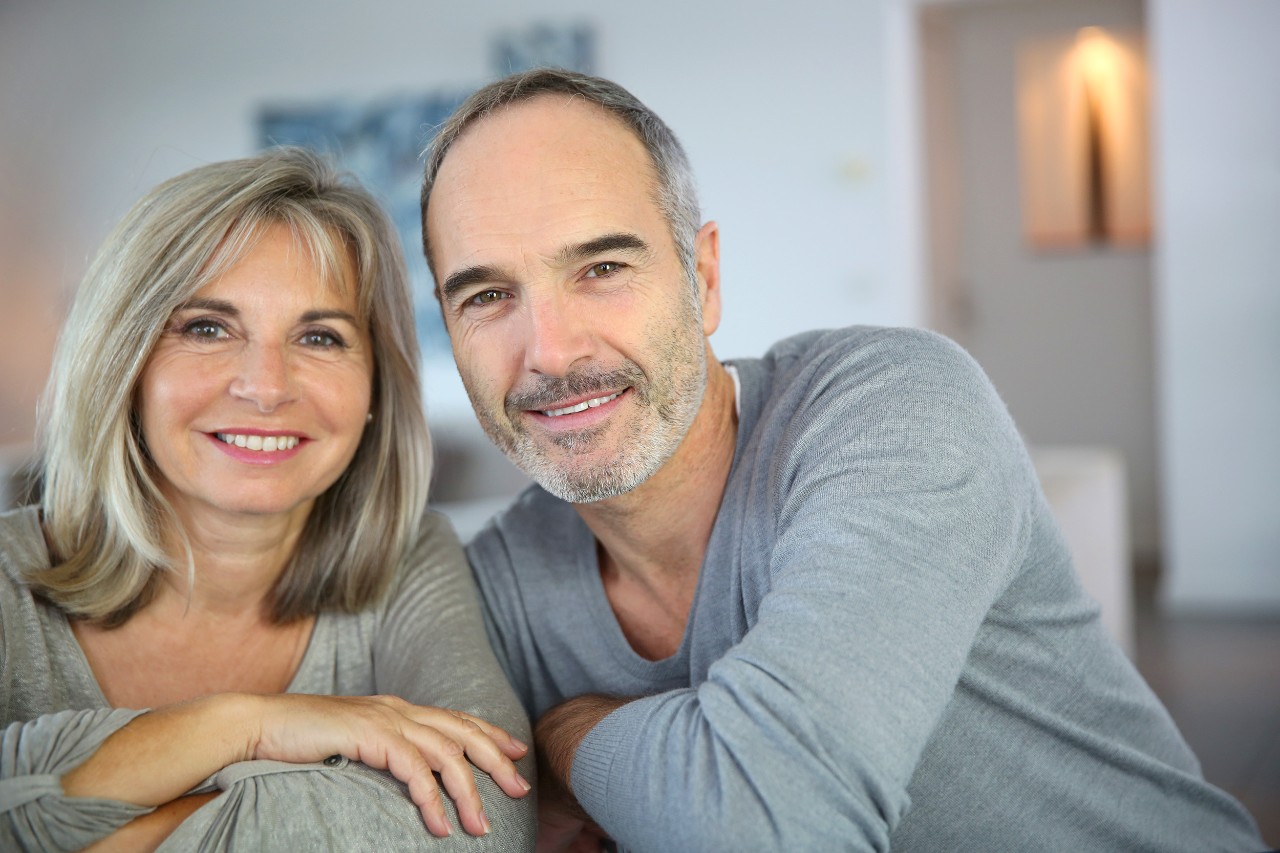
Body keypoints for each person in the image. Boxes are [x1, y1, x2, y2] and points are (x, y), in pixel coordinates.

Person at [419, 69, 1266, 852]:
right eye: (488, 295)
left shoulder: (893, 407)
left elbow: (773, 822)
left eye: (603, 267)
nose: (552, 352)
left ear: (703, 278)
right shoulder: (498, 584)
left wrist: (566, 737)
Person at [0, 148, 535, 851]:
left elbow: (489, 818)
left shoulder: (408, 559)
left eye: (320, 336)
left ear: (375, 385)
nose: (266, 386)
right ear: (122, 362)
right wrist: (243, 724)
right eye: (208, 327)